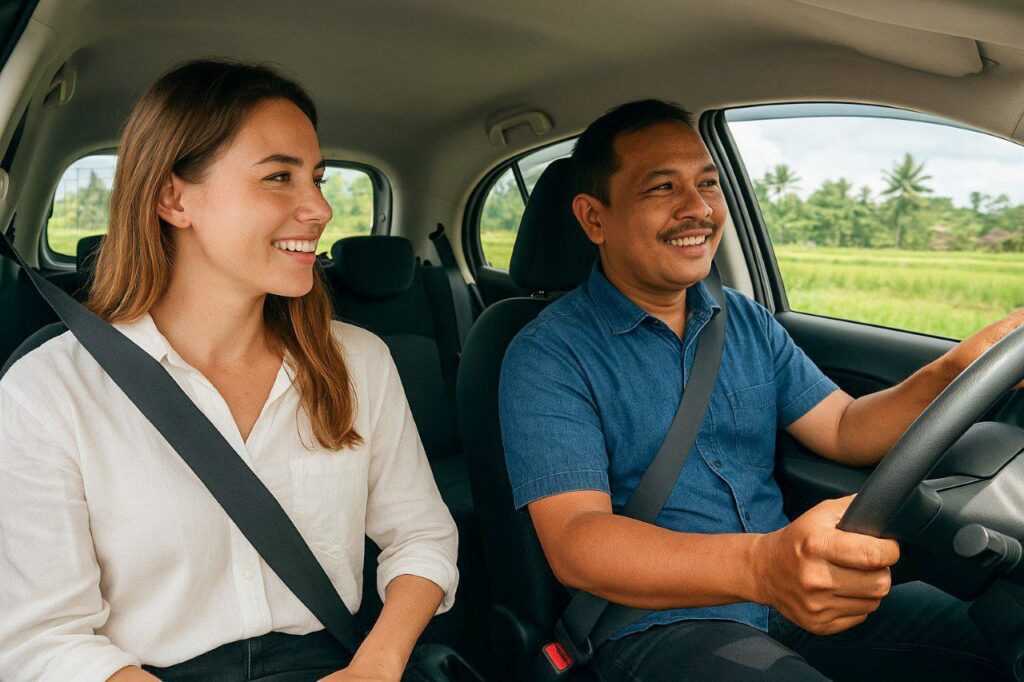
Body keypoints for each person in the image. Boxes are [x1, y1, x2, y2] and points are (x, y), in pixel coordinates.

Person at [499, 99, 1020, 681]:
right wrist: (762, 565)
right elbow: (577, 541)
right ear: (594, 219)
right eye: (661, 188)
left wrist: (951, 370)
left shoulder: (742, 320)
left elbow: (844, 428)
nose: (697, 208)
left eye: (708, 183)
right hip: (659, 622)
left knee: (1001, 623)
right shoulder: (547, 353)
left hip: (790, 591)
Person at [0, 60, 458, 682]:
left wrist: (376, 664)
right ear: (173, 197)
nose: (320, 208)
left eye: (318, 179)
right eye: (278, 177)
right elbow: (44, 639)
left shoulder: (359, 362)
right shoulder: (48, 391)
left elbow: (423, 538)